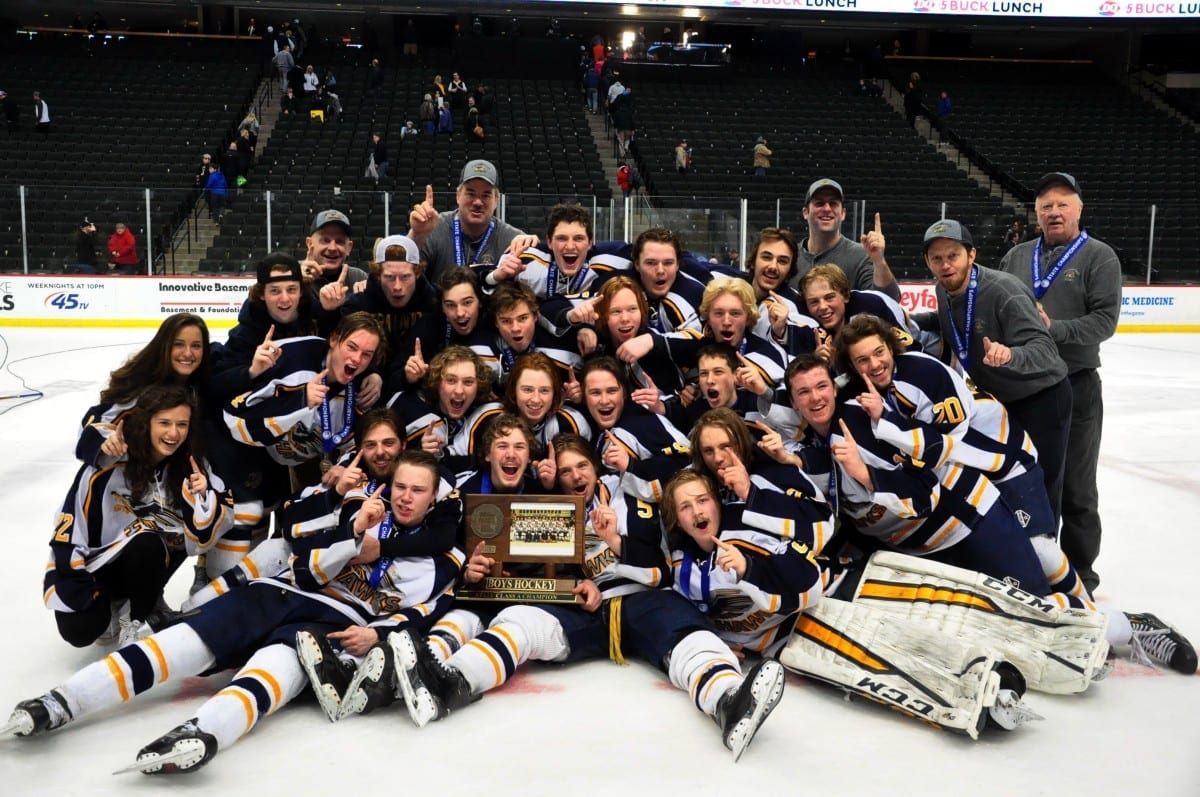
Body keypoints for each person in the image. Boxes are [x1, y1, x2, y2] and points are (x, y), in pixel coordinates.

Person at [3, 450, 461, 775]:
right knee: (180, 644)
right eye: (400, 486)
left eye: (417, 491)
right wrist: (350, 531)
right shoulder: (358, 508)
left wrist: (377, 635)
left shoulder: (443, 560)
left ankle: (203, 734)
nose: (405, 497)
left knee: (272, 674)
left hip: (329, 626)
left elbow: (426, 612)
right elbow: (299, 551)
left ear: (432, 497)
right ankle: (61, 701)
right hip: (277, 593)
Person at [999, 173, 1122, 593]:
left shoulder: (1099, 257)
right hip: (1024, 388)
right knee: (1031, 480)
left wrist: (1054, 330)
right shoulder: (1017, 256)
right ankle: (1039, 565)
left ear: (1079, 209)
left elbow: (1105, 322)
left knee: (1077, 486)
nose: (1054, 212)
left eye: (1062, 204)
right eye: (1046, 206)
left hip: (1076, 384)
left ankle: (1082, 573)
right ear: (1036, 214)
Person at [46, 384, 235, 648]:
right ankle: (114, 601)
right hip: (100, 564)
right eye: (164, 423)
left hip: (148, 558)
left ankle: (137, 617)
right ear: (146, 423)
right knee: (79, 631)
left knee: (149, 540)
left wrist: (203, 497)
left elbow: (206, 534)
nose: (173, 433)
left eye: (182, 424)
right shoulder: (107, 465)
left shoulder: (192, 467)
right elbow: (69, 527)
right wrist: (81, 586)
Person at [923, 219, 1072, 529]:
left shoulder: (1004, 291)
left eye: (953, 255)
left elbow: (1046, 350)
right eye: (936, 258)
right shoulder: (942, 288)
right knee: (1008, 481)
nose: (945, 265)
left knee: (1041, 485)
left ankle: (1048, 563)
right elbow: (945, 318)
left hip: (1042, 399)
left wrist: (1010, 354)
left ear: (971, 255)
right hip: (1001, 402)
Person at [224, 312, 387, 470]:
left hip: (316, 471)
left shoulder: (364, 383)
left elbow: (361, 442)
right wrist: (300, 400)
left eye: (367, 354)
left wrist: (343, 467)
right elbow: (235, 419)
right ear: (334, 339)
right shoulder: (290, 358)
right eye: (351, 347)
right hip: (254, 464)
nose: (357, 359)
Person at [406, 160, 538, 282]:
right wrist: (417, 235)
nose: (477, 202)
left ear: (496, 201)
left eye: (486, 195)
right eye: (471, 193)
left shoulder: (512, 239)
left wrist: (534, 247)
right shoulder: (434, 227)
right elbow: (404, 275)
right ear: (458, 196)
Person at [793, 178, 900, 302]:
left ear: (843, 213)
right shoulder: (791, 257)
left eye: (833, 203)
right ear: (805, 212)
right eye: (819, 203)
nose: (827, 209)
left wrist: (879, 261)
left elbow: (889, 300)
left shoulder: (861, 255)